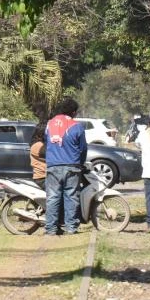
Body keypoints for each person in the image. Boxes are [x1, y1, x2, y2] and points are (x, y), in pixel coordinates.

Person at [44, 98, 88, 235]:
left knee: (52, 197)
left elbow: (47, 143)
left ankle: (51, 228)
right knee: (71, 197)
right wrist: (80, 163)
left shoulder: (49, 124)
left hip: (53, 166)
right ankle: (71, 227)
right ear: (74, 112)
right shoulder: (77, 126)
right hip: (72, 166)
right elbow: (83, 148)